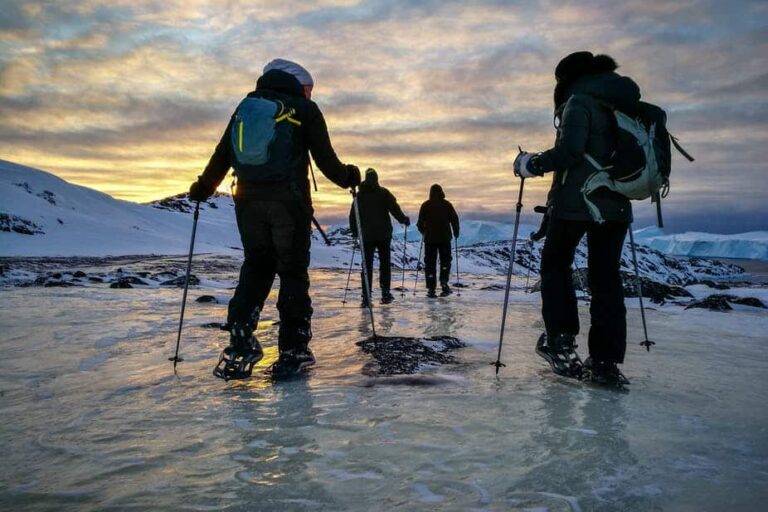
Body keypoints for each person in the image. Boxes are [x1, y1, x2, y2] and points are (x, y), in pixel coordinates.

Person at [189, 58, 361, 375]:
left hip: (247, 203)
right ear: (299, 84)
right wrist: (350, 176)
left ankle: (241, 333)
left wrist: (202, 188)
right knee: (293, 272)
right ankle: (294, 348)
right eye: (308, 88)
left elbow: (222, 154)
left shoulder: (247, 106)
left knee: (256, 265)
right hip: (288, 204)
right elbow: (326, 160)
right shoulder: (304, 110)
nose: (309, 94)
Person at [514, 51, 637, 385]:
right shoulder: (623, 103)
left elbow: (571, 152)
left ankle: (561, 342)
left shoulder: (579, 101)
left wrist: (531, 164)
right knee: (606, 279)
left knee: (555, 265)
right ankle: (605, 363)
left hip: (578, 203)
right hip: (616, 207)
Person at [348, 168, 410, 306]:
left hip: (367, 236)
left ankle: (366, 297)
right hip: (383, 235)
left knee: (367, 265)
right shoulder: (383, 193)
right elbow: (394, 209)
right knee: (384, 264)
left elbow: (353, 215)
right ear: (376, 179)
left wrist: (355, 232)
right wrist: (403, 219)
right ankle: (385, 293)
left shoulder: (359, 196)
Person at [416, 184, 460, 298]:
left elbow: (419, 224)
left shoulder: (425, 205)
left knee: (430, 263)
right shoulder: (447, 205)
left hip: (430, 239)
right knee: (445, 261)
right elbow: (455, 219)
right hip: (445, 238)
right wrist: (456, 232)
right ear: (441, 192)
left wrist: (424, 232)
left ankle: (431, 288)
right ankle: (444, 283)